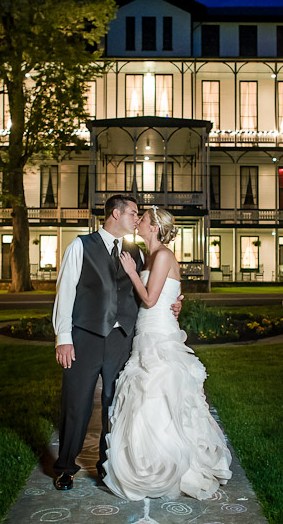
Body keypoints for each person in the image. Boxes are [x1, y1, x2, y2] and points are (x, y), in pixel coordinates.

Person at [51, 195, 181, 491]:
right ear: (114, 213)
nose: (137, 219)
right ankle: (66, 467)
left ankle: (106, 467)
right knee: (76, 403)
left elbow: (155, 287)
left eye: (139, 215)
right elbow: (65, 293)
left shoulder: (138, 252)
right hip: (85, 337)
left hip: (123, 340)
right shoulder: (80, 246)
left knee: (116, 404)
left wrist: (176, 302)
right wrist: (64, 338)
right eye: (133, 213)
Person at [103, 205, 232, 501]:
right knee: (146, 394)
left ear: (155, 227)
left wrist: (133, 273)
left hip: (158, 333)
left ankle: (176, 462)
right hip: (147, 331)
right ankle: (147, 458)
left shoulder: (161, 256)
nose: (139, 221)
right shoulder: (151, 255)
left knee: (160, 390)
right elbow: (169, 294)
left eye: (144, 219)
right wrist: (176, 301)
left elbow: (149, 299)